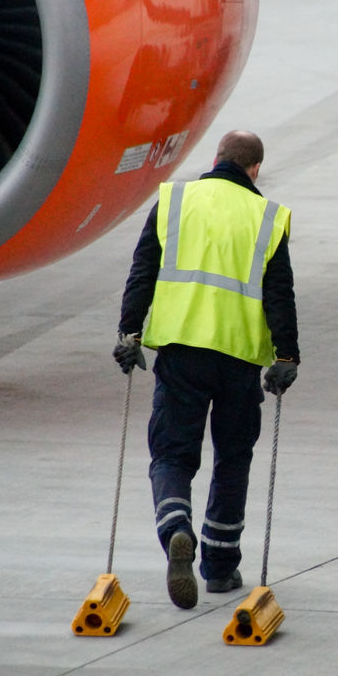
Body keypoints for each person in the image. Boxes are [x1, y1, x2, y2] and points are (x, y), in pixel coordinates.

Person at [113, 130, 299, 610]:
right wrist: (287, 357)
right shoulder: (268, 217)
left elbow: (143, 271)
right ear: (254, 169)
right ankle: (218, 566)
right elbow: (280, 294)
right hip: (239, 359)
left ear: (216, 158)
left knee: (172, 455)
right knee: (233, 458)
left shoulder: (175, 201)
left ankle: (178, 530)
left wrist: (129, 333)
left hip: (181, 354)